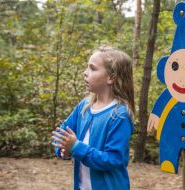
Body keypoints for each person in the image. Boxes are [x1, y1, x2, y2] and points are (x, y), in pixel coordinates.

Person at [51, 46, 135, 190]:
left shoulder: (119, 114)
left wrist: (76, 147)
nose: (85, 73)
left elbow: (113, 160)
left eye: (93, 69)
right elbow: (61, 133)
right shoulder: (84, 106)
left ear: (111, 77)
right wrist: (63, 150)